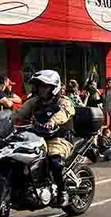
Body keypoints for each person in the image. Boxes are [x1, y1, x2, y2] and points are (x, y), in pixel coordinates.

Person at [14, 70, 75, 207]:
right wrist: (2, 121)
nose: (41, 89)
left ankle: (62, 191)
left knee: (54, 160)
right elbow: (18, 114)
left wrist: (53, 121)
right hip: (37, 137)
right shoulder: (34, 102)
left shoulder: (63, 101)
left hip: (59, 138)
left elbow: (66, 112)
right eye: (39, 86)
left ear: (54, 87)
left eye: (44, 86)